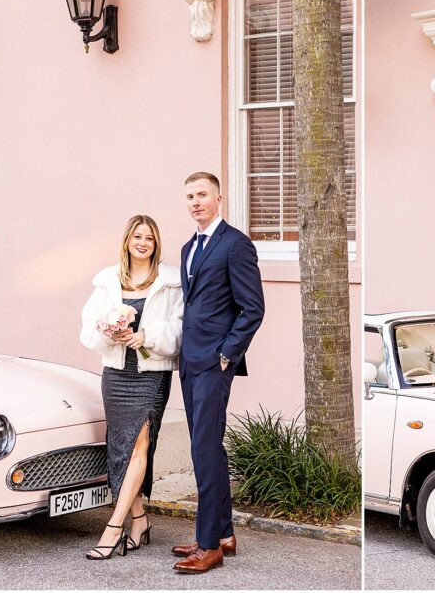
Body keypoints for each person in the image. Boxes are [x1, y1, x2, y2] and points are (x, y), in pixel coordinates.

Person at [171, 172, 264, 574]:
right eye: (190, 196)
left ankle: (209, 546)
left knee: (204, 451)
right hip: (189, 363)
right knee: (207, 447)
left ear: (219, 198)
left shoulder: (235, 244)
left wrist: (227, 354)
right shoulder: (189, 246)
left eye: (203, 194)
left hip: (213, 363)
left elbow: (253, 308)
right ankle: (222, 531)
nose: (195, 202)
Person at [79, 215, 182, 560]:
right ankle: (139, 519)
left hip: (151, 374)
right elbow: (88, 327)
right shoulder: (108, 280)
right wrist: (109, 332)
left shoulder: (169, 283)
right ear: (127, 240)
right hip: (117, 375)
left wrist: (145, 336)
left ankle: (113, 527)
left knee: (140, 445)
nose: (143, 243)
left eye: (149, 238)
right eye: (137, 236)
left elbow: (180, 329)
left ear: (156, 244)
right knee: (120, 447)